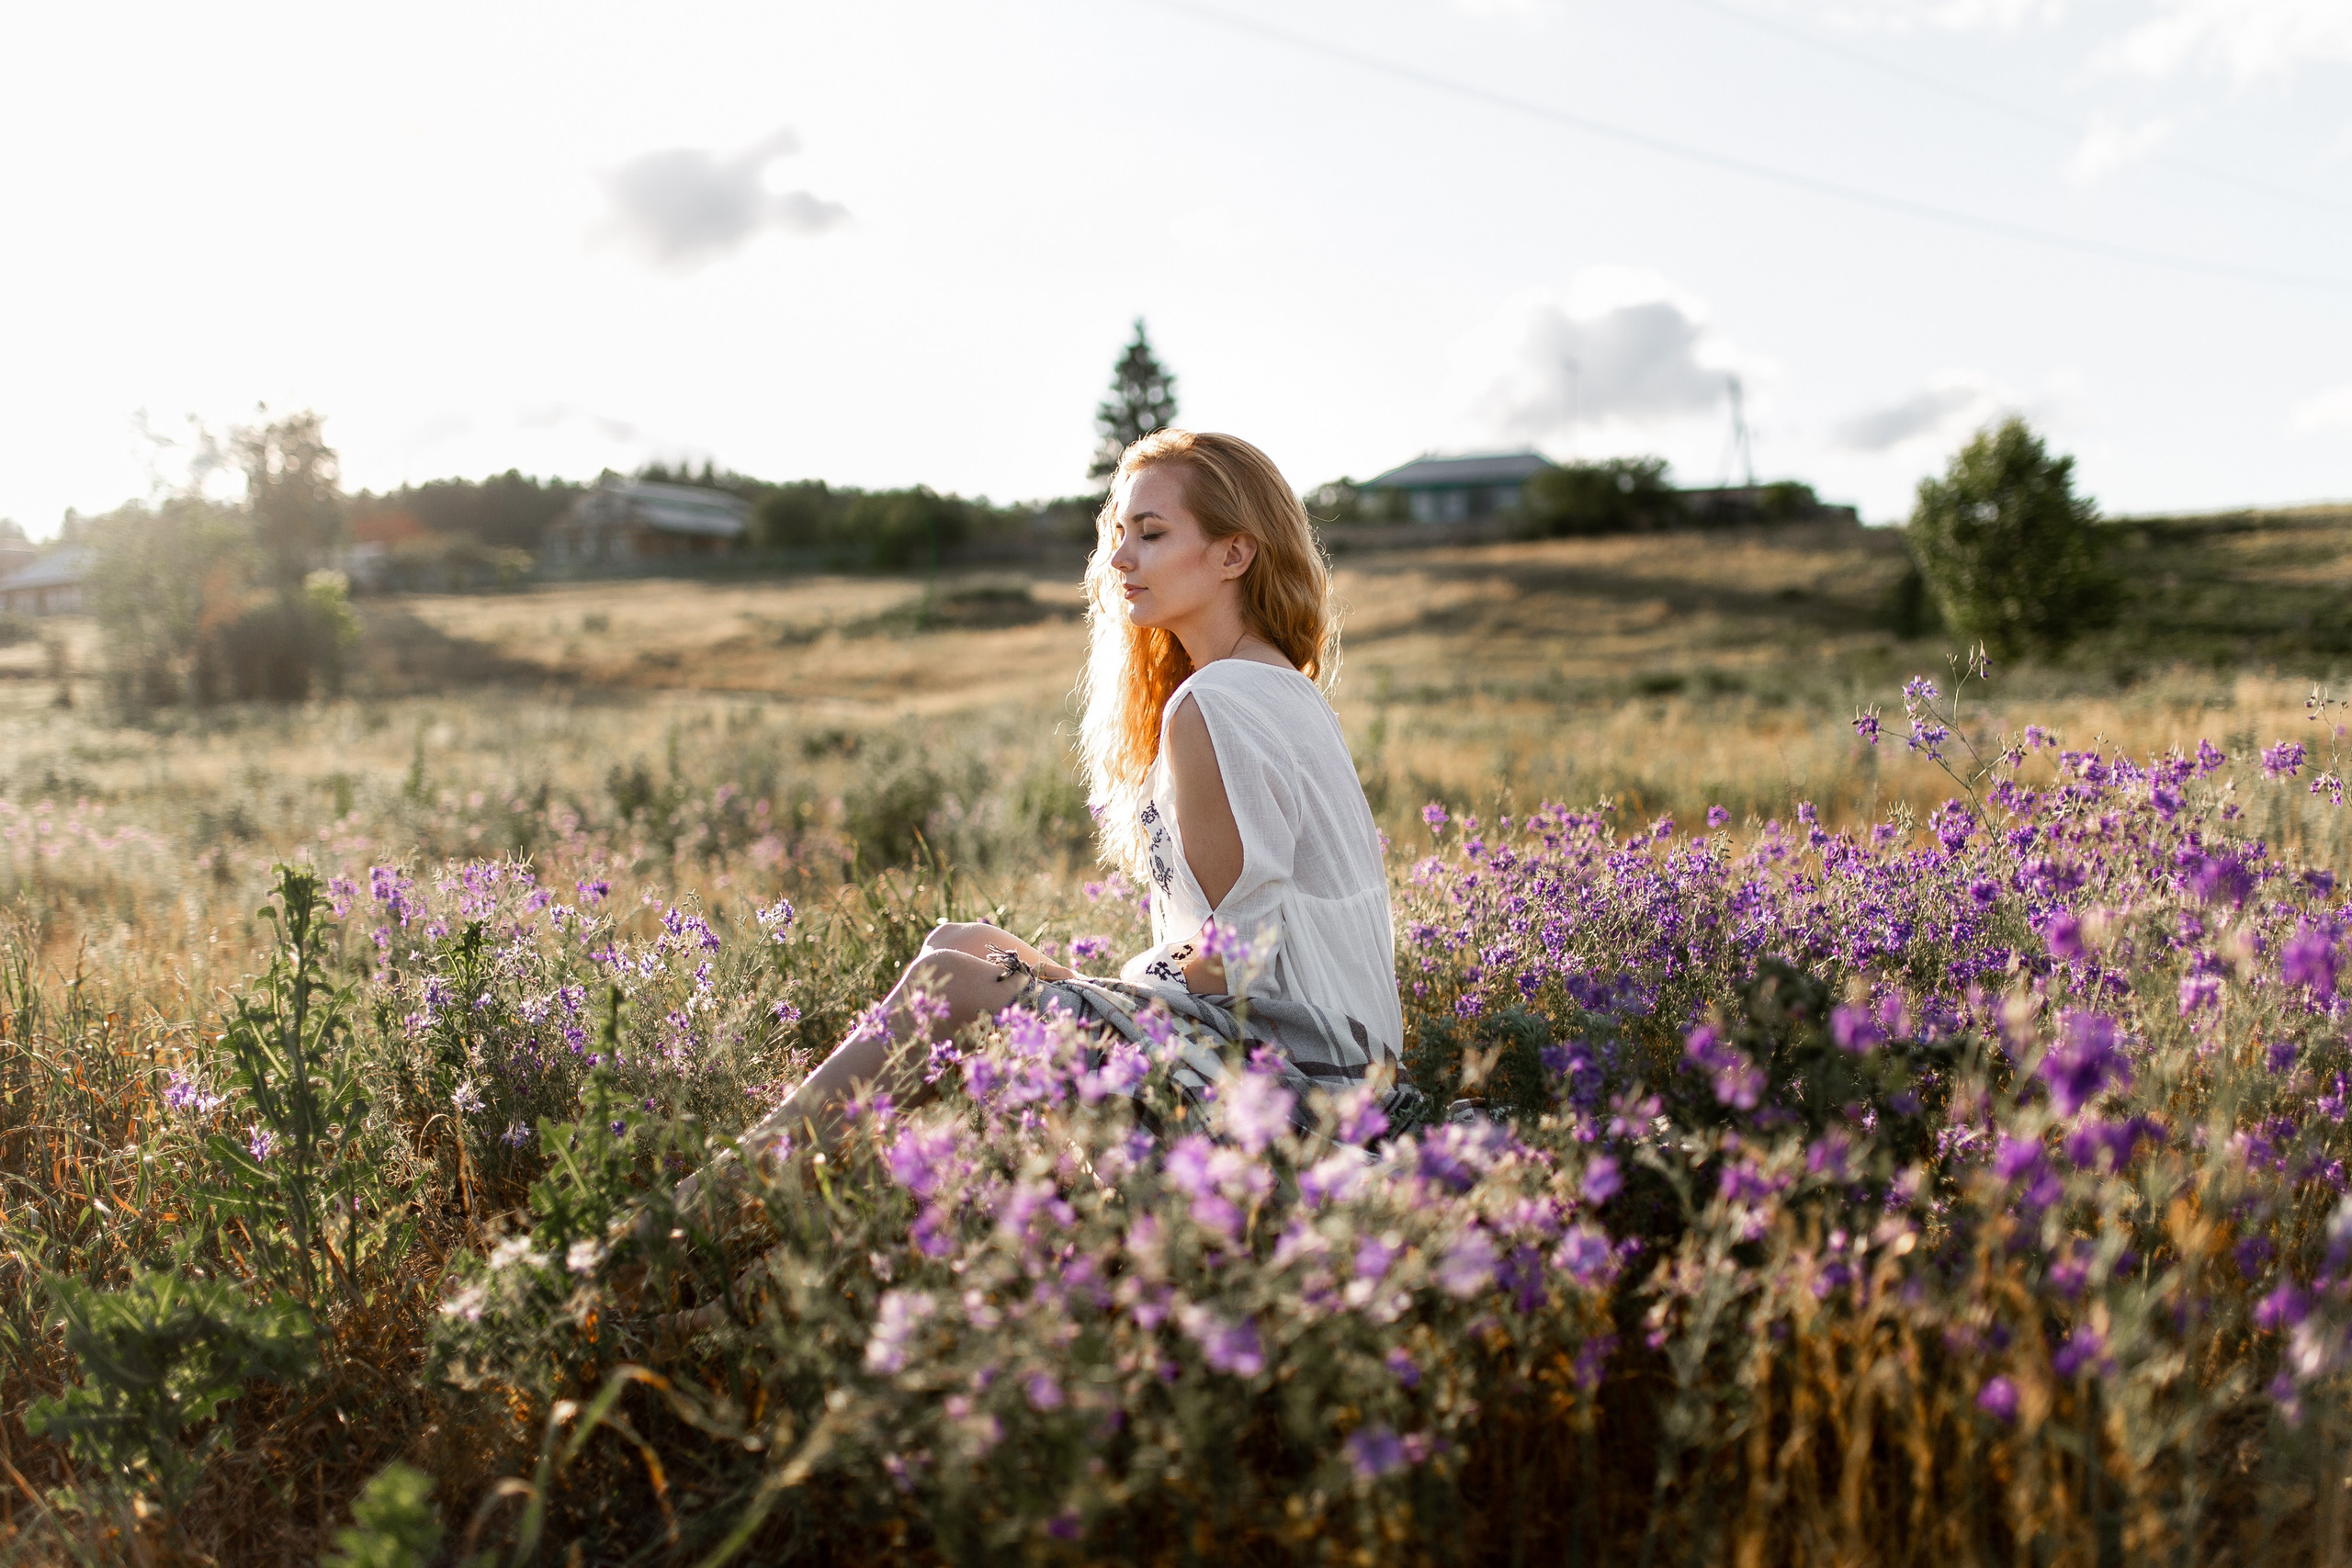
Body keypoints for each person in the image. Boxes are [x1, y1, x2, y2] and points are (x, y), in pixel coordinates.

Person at [694, 430, 1409, 1192]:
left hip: (1297, 1083)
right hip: (1352, 1062)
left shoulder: (1212, 703)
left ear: (1235, 553)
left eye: (1153, 534)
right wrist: (1110, 995)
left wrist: (1121, 988)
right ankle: (873, 1186)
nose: (1120, 558)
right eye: (1119, 533)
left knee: (946, 978)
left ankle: (719, 1197)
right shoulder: (1284, 686)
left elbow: (1235, 960)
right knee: (960, 940)